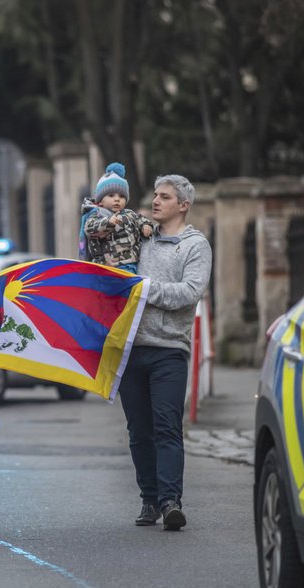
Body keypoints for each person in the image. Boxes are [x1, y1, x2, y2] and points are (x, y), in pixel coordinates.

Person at [118, 175, 212, 530]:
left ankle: (171, 500)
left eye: (164, 197)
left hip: (170, 349)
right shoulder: (140, 241)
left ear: (183, 205)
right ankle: (149, 500)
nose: (155, 201)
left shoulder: (195, 246)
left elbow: (189, 292)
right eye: (155, 195)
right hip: (130, 349)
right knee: (138, 430)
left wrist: (143, 289)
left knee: (166, 426)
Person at [80, 162, 154, 274]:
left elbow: (141, 219)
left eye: (121, 196)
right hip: (106, 268)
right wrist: (108, 223)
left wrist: (146, 226)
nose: (117, 199)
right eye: (111, 195)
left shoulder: (129, 214)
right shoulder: (97, 214)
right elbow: (90, 229)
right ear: (100, 200)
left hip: (131, 264)